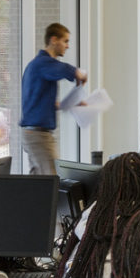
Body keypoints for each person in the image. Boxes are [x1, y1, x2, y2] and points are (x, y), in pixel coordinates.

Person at [20, 22, 86, 175]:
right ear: (54, 40)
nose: (67, 46)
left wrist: (69, 104)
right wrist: (78, 73)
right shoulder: (43, 63)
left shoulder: (38, 66)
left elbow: (40, 102)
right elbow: (61, 69)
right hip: (38, 136)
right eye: (65, 41)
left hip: (34, 134)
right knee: (52, 181)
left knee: (40, 184)